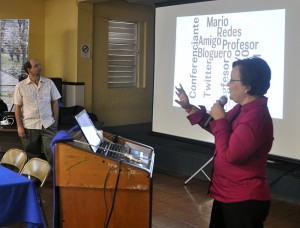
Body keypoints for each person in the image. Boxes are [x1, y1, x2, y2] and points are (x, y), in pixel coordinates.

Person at [175, 57, 273, 228]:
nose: (227, 85)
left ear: (247, 86)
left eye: (232, 80)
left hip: (243, 200)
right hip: (226, 194)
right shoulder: (242, 108)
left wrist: (220, 119)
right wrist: (189, 107)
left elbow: (231, 155)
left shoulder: (256, 117)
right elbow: (219, 131)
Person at [13, 58, 61, 168]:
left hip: (48, 125)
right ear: (29, 69)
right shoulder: (20, 86)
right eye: (36, 66)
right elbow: (17, 109)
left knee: (53, 154)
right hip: (29, 126)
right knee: (32, 156)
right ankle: (34, 179)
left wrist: (55, 123)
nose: (40, 67)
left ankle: (57, 181)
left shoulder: (49, 83)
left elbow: (55, 103)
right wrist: (19, 127)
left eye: (39, 65)